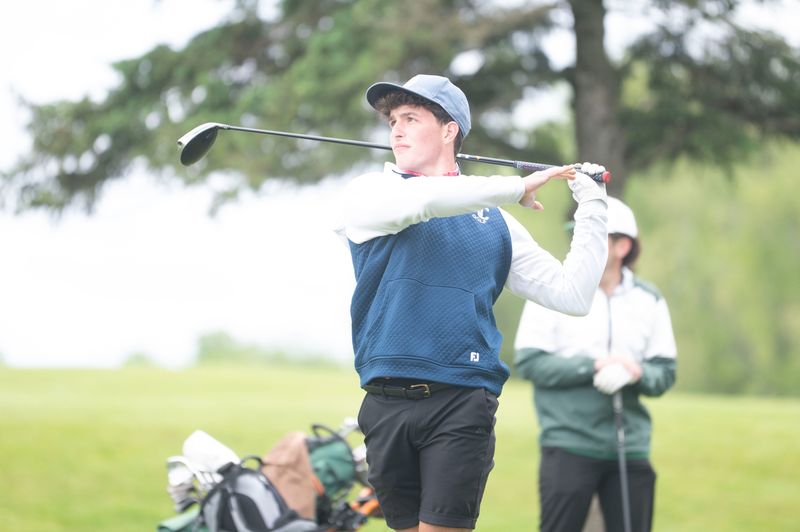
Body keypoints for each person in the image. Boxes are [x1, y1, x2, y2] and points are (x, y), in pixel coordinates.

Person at [338, 73, 609, 532]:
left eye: (410, 118)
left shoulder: (497, 222)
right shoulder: (370, 195)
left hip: (460, 401)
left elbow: (572, 294)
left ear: (449, 131)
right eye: (392, 121)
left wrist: (594, 208)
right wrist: (517, 187)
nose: (396, 131)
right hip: (383, 404)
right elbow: (427, 201)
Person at [513, 196, 677, 532]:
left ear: (621, 246)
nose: (581, 243)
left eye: (593, 234)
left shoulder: (649, 299)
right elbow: (530, 363)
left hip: (630, 449)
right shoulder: (550, 290)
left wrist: (636, 372)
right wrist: (594, 366)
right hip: (568, 445)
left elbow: (665, 371)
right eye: (577, 234)